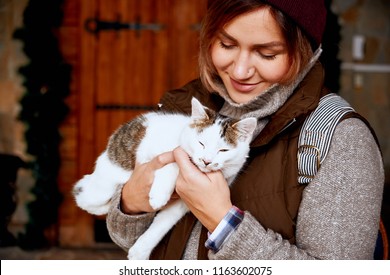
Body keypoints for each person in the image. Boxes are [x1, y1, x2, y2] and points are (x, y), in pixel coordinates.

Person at [106, 0, 384, 259]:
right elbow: (128, 240)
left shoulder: (340, 140)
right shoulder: (189, 108)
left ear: (305, 52)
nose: (239, 72)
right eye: (227, 45)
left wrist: (223, 223)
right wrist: (130, 204)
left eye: (267, 53)